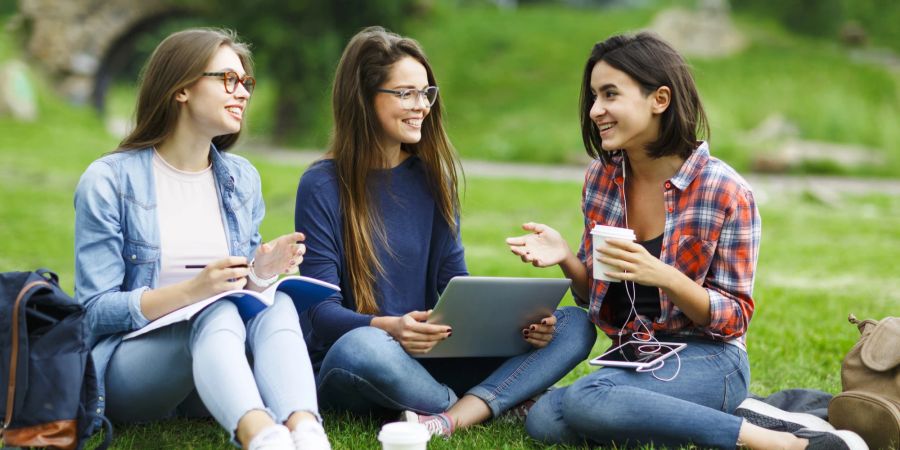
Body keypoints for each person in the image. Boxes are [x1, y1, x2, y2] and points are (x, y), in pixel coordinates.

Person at [506, 32, 866, 450]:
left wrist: (664, 276)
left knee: (587, 400)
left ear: (660, 99)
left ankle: (785, 443)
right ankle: (695, 417)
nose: (595, 111)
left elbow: (734, 318)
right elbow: (595, 297)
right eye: (592, 97)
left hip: (710, 358)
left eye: (609, 95)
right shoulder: (602, 179)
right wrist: (567, 258)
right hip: (637, 359)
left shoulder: (725, 190)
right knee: (547, 421)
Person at [293, 26, 596, 438]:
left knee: (573, 325)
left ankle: (450, 415)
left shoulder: (431, 180)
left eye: (426, 93)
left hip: (429, 354)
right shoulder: (323, 184)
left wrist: (516, 326)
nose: (422, 106)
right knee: (362, 348)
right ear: (363, 100)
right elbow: (322, 314)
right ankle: (481, 405)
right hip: (357, 360)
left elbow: (455, 285)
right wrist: (392, 327)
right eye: (406, 94)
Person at [74, 28, 330, 450]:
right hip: (131, 370)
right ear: (181, 90)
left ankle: (305, 429)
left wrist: (260, 274)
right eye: (228, 79)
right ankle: (261, 437)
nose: (243, 92)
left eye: (245, 82)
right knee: (210, 310)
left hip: (212, 369)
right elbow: (92, 312)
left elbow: (239, 291)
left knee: (276, 302)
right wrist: (194, 291)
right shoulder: (109, 181)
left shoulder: (241, 177)